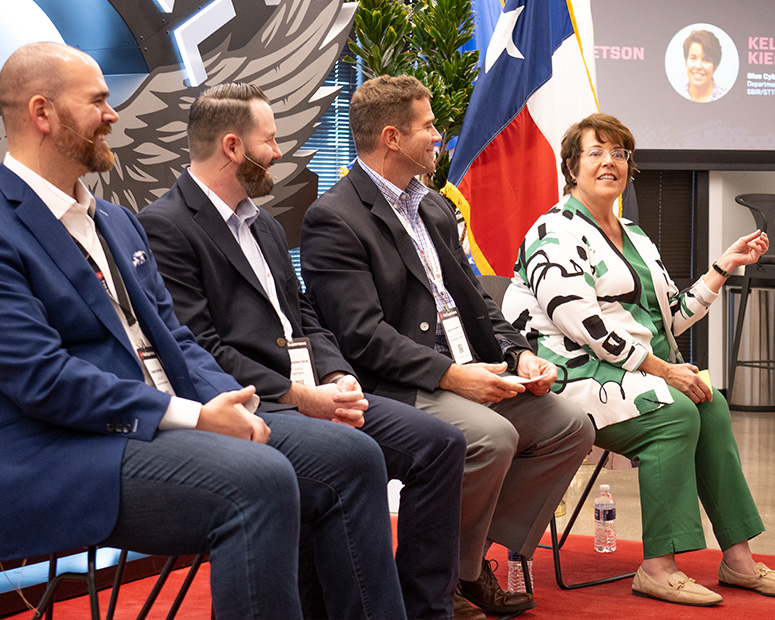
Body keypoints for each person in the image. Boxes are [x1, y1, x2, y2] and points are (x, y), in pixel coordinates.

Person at [0, 42, 407, 620]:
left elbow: (176, 336)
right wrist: (196, 417)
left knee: (352, 457)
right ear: (43, 114)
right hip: (63, 448)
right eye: (98, 101)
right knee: (258, 480)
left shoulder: (114, 219)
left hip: (171, 420)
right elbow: (42, 380)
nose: (114, 115)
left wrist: (232, 402)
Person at [137, 82, 467, 620]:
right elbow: (199, 348)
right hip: (250, 402)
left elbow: (302, 315)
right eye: (270, 141)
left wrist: (336, 374)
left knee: (440, 444)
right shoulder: (165, 226)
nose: (279, 153)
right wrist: (297, 395)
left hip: (309, 390)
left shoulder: (262, 222)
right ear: (232, 147)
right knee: (350, 458)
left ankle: (426, 610)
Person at [300, 74, 596, 617]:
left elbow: (481, 304)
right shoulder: (334, 219)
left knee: (569, 426)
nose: (440, 135)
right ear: (392, 137)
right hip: (403, 384)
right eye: (429, 125)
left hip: (472, 370)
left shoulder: (433, 207)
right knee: (492, 437)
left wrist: (517, 354)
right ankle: (430, 586)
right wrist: (456, 378)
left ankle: (462, 565)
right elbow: (363, 338)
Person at [502, 112, 775, 606]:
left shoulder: (636, 235)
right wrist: (665, 371)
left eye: (620, 153)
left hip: (633, 373)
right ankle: (657, 567)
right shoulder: (553, 232)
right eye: (596, 152)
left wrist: (723, 267)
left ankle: (737, 560)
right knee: (674, 409)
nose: (610, 162)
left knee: (708, 402)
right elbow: (584, 327)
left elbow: (670, 317)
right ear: (571, 166)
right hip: (569, 378)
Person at [681, 29, 727, 102]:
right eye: (693, 58)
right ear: (686, 62)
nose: (698, 66)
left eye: (706, 60)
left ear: (715, 65)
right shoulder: (675, 96)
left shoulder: (726, 96)